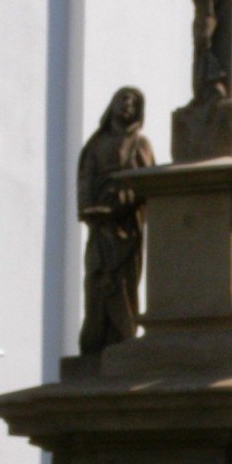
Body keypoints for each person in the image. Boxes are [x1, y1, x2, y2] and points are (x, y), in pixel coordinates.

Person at [78, 88, 155, 355]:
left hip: (126, 228)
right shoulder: (95, 144)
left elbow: (147, 184)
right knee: (96, 279)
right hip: (100, 228)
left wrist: (119, 203)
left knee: (122, 283)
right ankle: (94, 344)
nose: (127, 105)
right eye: (123, 99)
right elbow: (85, 179)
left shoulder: (139, 144)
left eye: (134, 103)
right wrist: (88, 208)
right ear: (112, 104)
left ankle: (122, 343)